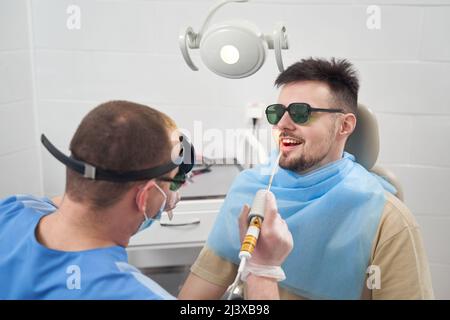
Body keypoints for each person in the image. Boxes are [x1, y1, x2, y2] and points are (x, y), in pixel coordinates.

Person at [179, 58, 434, 300]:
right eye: (277, 112)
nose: (283, 123)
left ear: (344, 125)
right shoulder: (252, 194)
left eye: (301, 113)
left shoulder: (386, 221)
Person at [0, 100, 292, 299]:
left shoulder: (13, 210)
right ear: (143, 196)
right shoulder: (136, 293)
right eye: (173, 180)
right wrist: (263, 270)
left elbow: (88, 208)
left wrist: (159, 191)